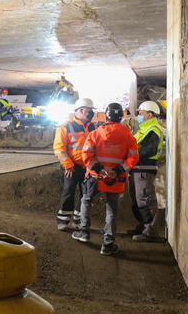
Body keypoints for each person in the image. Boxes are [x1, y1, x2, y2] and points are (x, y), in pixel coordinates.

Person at [73, 102, 139, 256]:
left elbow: (86, 155)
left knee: (86, 201)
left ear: (107, 115)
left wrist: (99, 170)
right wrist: (117, 171)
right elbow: (133, 158)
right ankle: (108, 244)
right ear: (121, 116)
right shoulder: (129, 136)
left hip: (95, 177)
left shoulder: (95, 134)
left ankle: (84, 232)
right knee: (111, 211)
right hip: (116, 179)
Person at [53, 98, 97, 230]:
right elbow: (59, 148)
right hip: (72, 167)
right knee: (69, 191)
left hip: (88, 167)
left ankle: (78, 219)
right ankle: (63, 220)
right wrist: (68, 165)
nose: (91, 113)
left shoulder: (91, 126)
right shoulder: (65, 127)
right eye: (90, 111)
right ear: (82, 110)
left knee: (85, 194)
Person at [129, 101, 166, 242]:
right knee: (137, 200)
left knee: (146, 199)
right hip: (136, 168)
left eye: (141, 113)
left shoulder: (153, 129)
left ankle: (150, 232)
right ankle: (142, 226)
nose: (138, 115)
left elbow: (147, 150)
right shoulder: (143, 129)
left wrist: (129, 155)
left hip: (145, 168)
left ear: (149, 115)